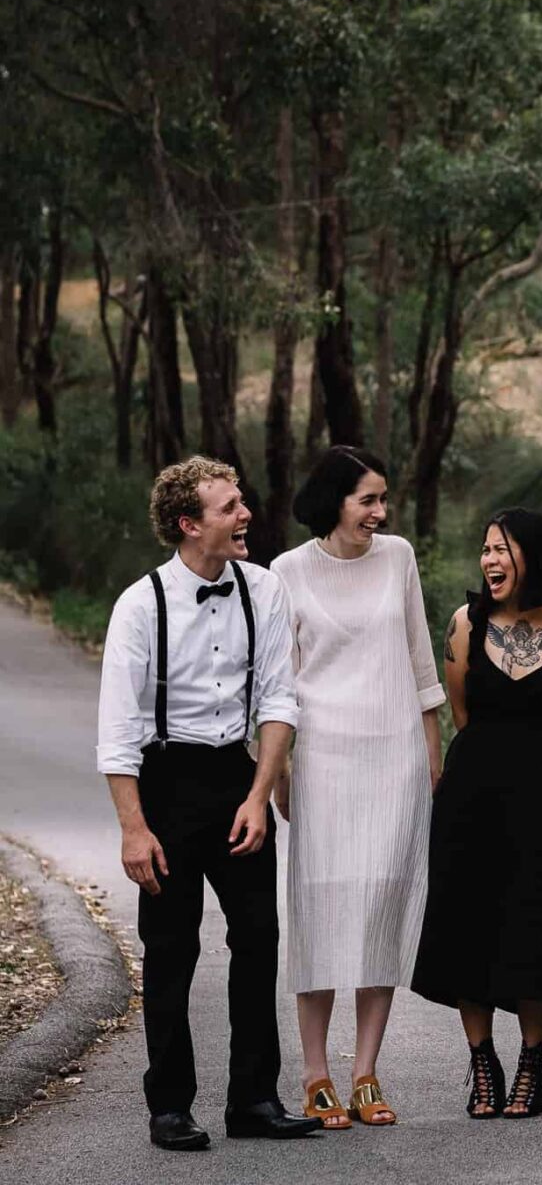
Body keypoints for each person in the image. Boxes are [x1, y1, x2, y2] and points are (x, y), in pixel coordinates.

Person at [96, 456, 322, 1150]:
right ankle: (170, 1106)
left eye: (242, 502)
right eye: (230, 507)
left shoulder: (264, 589)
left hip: (237, 774)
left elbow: (280, 698)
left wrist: (260, 795)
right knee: (171, 949)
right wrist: (135, 830)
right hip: (165, 782)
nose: (246, 513)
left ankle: (253, 1099)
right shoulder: (141, 604)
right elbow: (118, 729)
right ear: (190, 525)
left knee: (258, 939)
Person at [271, 446, 444, 1129]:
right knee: (320, 910)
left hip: (395, 751)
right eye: (367, 499)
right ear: (334, 501)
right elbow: (278, 681)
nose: (380, 512)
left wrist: (432, 745)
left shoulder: (397, 556)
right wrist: (278, 769)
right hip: (321, 758)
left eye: (382, 500)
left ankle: (365, 1071)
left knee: (382, 907)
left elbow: (418, 651)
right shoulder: (285, 571)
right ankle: (315, 1074)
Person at [411, 509, 542, 1120]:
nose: (489, 561)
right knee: (470, 926)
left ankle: (532, 1062)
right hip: (473, 796)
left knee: (539, 924)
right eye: (485, 550)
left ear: (533, 555)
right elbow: (462, 713)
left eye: (502, 550)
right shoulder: (467, 622)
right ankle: (482, 1060)